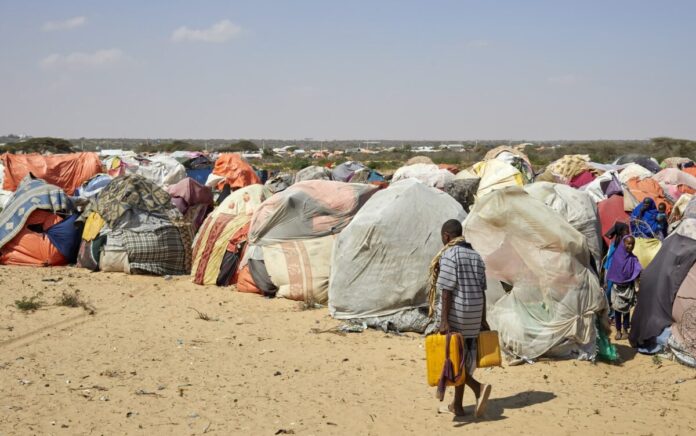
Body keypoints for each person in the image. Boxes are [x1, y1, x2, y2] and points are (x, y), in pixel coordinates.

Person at [434, 219, 491, 418]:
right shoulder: (476, 256)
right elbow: (483, 291)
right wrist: (482, 319)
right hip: (474, 315)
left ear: (446, 237)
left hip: (457, 314)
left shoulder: (450, 255)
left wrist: (443, 321)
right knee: (463, 359)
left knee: (452, 360)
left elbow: (447, 290)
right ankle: (457, 406)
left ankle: (478, 388)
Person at [606, 235, 642, 340]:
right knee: (617, 310)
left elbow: (637, 271)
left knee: (626, 311)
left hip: (628, 288)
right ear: (623, 244)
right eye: (628, 243)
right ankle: (618, 331)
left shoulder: (633, 259)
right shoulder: (617, 257)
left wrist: (637, 284)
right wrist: (608, 284)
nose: (630, 246)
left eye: (632, 244)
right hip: (617, 288)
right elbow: (612, 271)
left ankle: (625, 330)